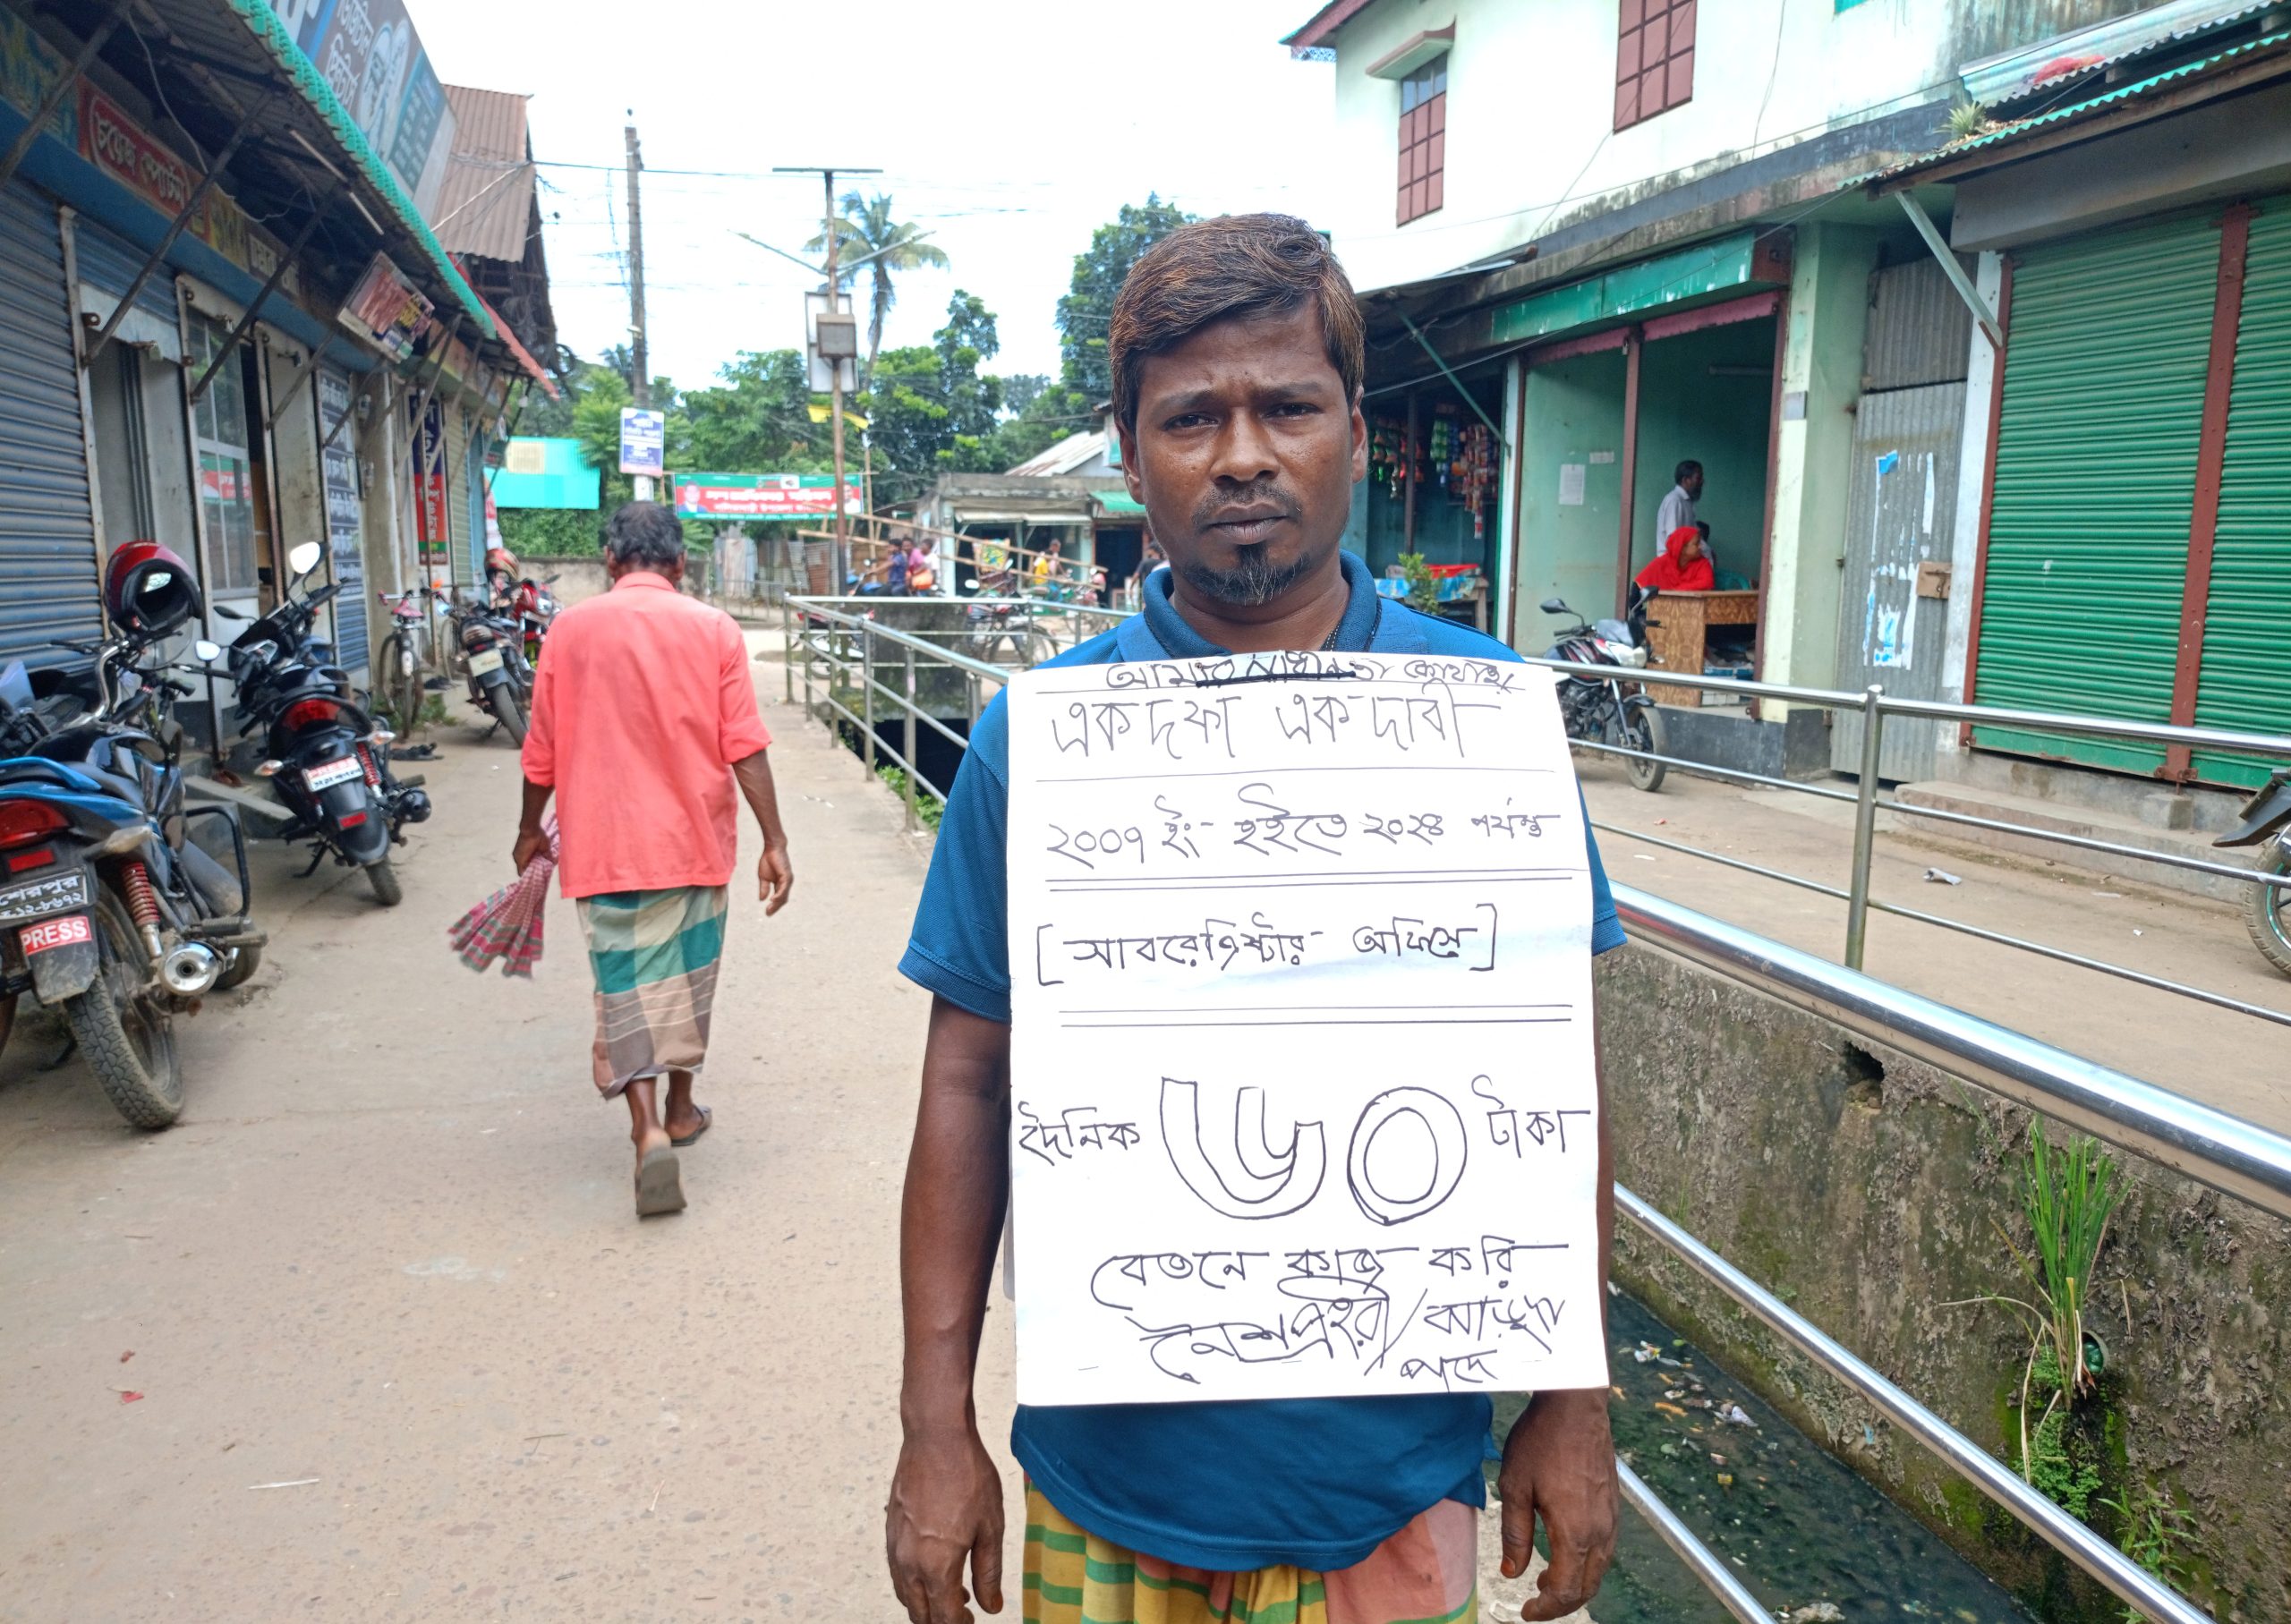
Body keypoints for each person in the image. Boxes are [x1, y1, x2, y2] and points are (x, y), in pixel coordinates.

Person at [885, 215, 1626, 1624]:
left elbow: (1559, 1076)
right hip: (1111, 1482)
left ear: (1354, 423)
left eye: (1285, 405)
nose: (1241, 454)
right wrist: (935, 1423)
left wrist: (1571, 1400)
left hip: (1395, 1482)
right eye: (1190, 416)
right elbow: (968, 1078)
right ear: (1130, 450)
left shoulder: (1489, 725)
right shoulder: (1034, 744)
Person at [514, 502, 796, 1219]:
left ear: (610, 562)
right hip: (694, 843)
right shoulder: (713, 628)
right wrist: (775, 839)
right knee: (686, 984)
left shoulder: (568, 629)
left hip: (604, 845)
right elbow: (745, 744)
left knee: (625, 987)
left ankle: (646, 1129)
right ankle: (678, 1107)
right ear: (678, 564)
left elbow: (540, 748)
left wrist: (527, 831)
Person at [1637, 524, 1716, 592]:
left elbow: (1707, 583)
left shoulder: (1703, 563)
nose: (1700, 546)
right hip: (1663, 608)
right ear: (1683, 548)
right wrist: (1639, 610)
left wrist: (1677, 590)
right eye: (1696, 544)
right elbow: (1638, 585)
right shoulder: (1663, 562)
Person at [1655, 459, 1701, 554]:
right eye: (1698, 478)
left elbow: (1693, 535)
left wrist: (1708, 550)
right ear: (1685, 480)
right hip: (1672, 562)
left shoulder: (1687, 502)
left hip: (1682, 561)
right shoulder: (1674, 500)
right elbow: (1673, 539)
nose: (1702, 481)